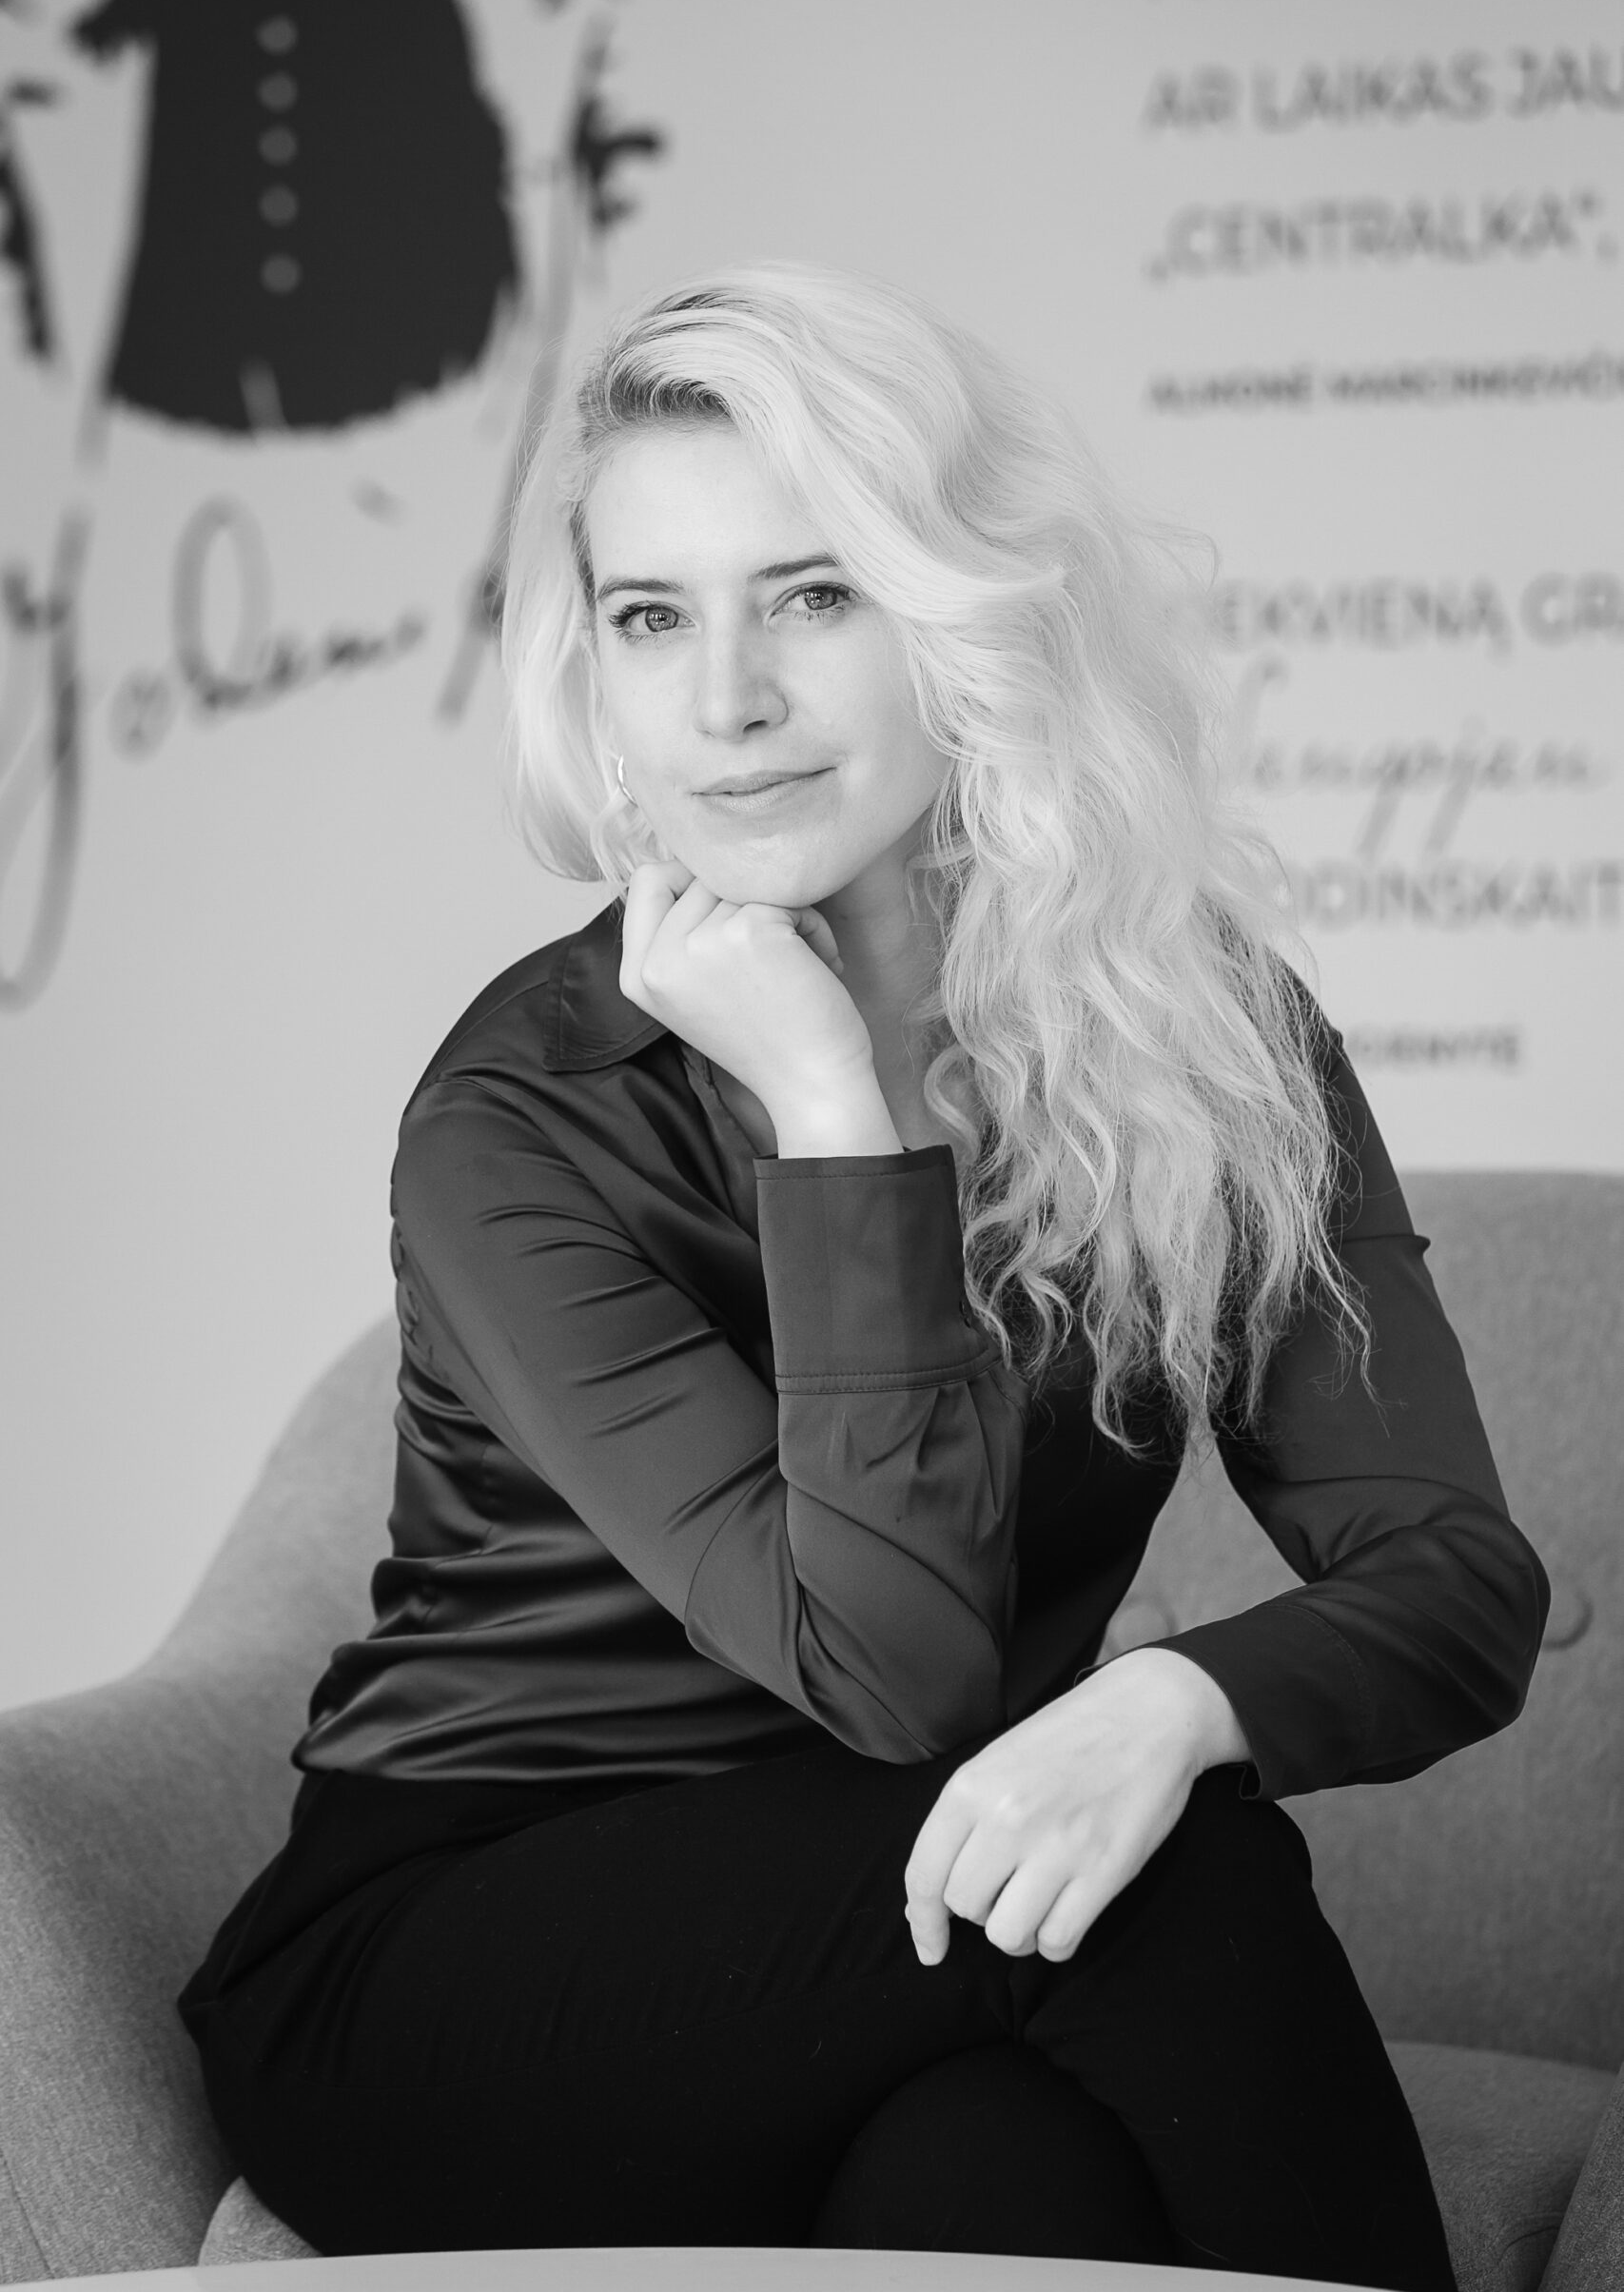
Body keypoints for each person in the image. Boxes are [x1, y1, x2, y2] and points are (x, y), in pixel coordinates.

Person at [178, 261, 1549, 2285]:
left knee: (1004, 2177)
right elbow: (895, 1681)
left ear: (963, 619)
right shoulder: (521, 1119)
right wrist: (839, 1118)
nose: (725, 699)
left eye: (810, 595)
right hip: (460, 1979)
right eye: (653, 617)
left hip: (909, 1940)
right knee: (1171, 1881)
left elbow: (1454, 1578)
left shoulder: (1195, 1035)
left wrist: (1170, 1699)